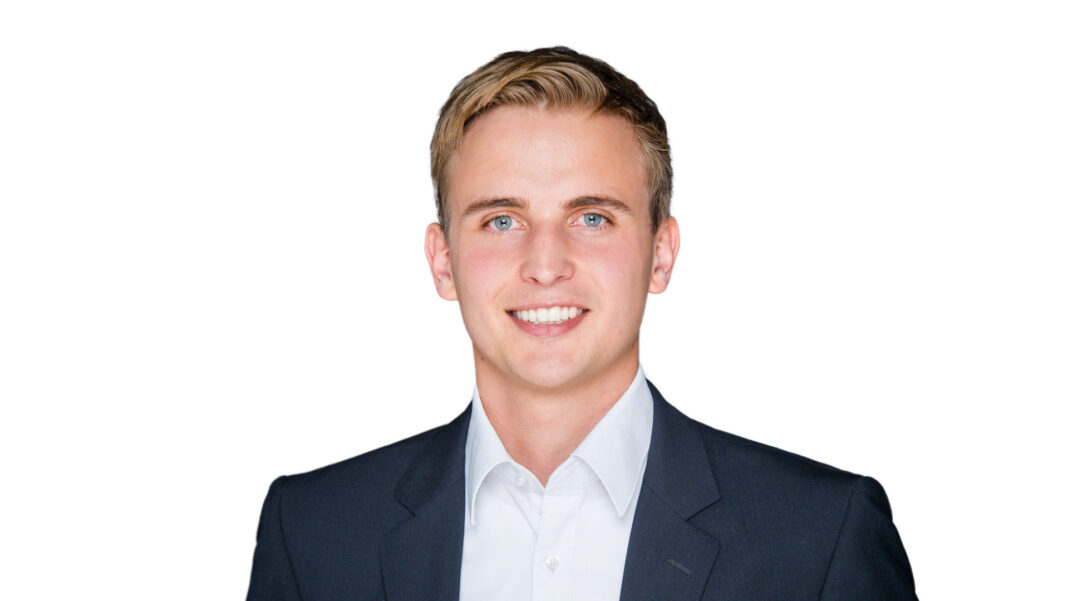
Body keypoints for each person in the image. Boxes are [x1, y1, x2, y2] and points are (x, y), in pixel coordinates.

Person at [245, 46, 919, 601]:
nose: (545, 264)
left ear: (661, 254)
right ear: (443, 261)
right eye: (501, 220)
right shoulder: (311, 535)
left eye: (591, 217)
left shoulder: (821, 540)